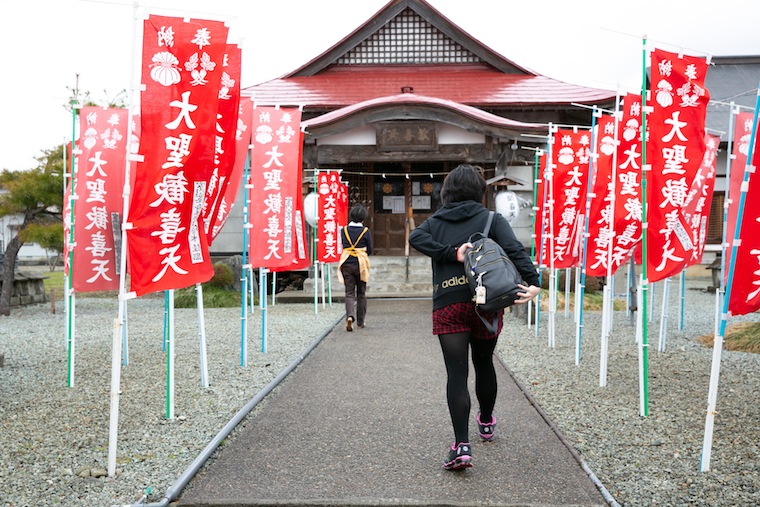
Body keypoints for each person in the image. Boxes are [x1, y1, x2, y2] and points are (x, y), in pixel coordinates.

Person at [408, 164, 540, 471]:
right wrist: (534, 283)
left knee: (457, 374)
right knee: (484, 363)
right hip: (487, 303)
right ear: (479, 190)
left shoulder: (434, 222)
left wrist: (451, 253)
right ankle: (486, 422)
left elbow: (416, 238)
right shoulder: (491, 218)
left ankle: (461, 445)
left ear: (447, 191)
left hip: (448, 302)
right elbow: (514, 250)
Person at [338, 204, 372, 331]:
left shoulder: (344, 230)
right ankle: (361, 321)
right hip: (361, 264)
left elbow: (343, 245)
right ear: (363, 217)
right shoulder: (365, 231)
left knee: (349, 293)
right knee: (361, 293)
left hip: (347, 262)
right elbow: (370, 249)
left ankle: (350, 316)